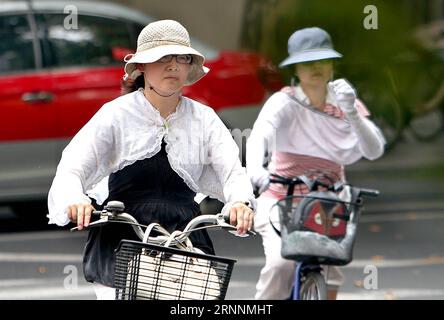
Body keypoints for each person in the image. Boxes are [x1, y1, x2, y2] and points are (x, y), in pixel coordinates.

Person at [47, 20, 255, 299]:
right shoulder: (115, 114)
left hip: (183, 238)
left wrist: (240, 203)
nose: (173, 65)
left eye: (181, 58)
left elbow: (232, 173)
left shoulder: (204, 119)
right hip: (123, 236)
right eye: (163, 57)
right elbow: (72, 167)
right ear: (142, 66)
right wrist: (75, 200)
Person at [246, 27, 385, 300]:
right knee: (280, 264)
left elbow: (374, 150)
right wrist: (256, 171)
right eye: (307, 62)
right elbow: (258, 137)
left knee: (331, 271)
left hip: (329, 202)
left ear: (333, 64)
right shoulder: (283, 101)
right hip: (282, 199)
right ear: (295, 68)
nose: (315, 67)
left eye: (322, 60)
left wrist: (352, 113)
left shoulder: (346, 100)